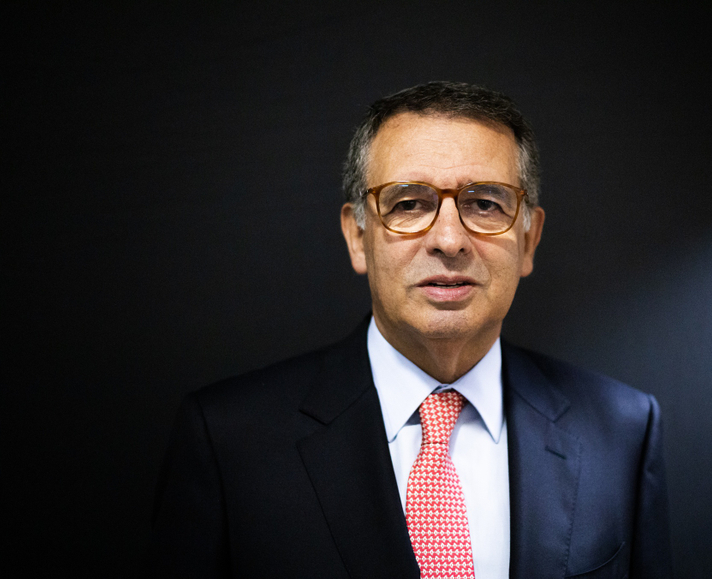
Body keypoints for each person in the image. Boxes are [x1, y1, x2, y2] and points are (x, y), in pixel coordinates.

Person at [147, 81, 672, 578]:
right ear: (358, 238)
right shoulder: (229, 441)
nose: (449, 240)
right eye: (409, 204)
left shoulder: (622, 432)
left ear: (529, 240)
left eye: (485, 204)